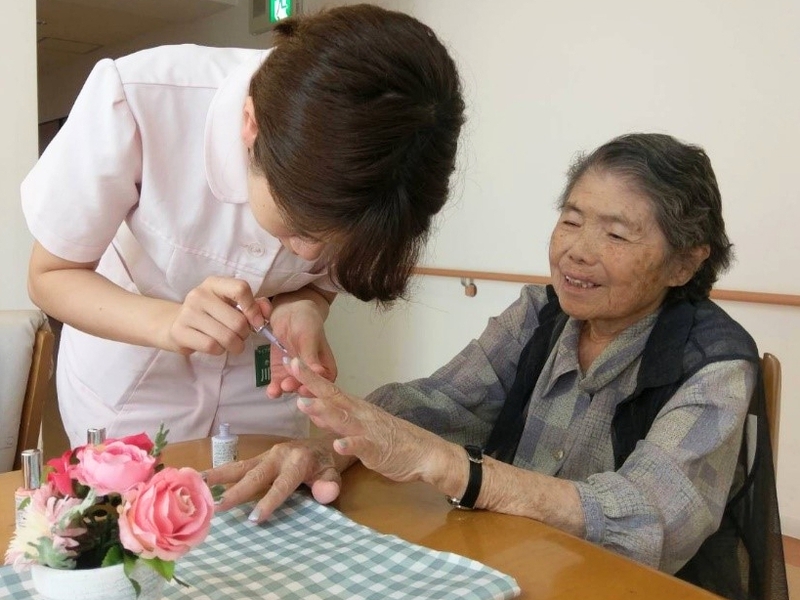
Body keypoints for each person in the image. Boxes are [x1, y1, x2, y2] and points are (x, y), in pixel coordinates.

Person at [209, 133, 787, 600]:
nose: (576, 251)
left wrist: (459, 469)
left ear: (685, 262)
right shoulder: (540, 313)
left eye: (615, 233)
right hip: (517, 563)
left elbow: (655, 516)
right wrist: (328, 443)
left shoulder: (713, 363)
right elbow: (441, 402)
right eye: (571, 219)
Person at [21, 4, 465, 447]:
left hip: (263, 397)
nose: (309, 255)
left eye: (334, 245)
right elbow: (50, 276)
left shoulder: (386, 178)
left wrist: (308, 303)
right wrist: (168, 323)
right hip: (132, 391)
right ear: (250, 125)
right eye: (300, 229)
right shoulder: (139, 99)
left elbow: (320, 279)